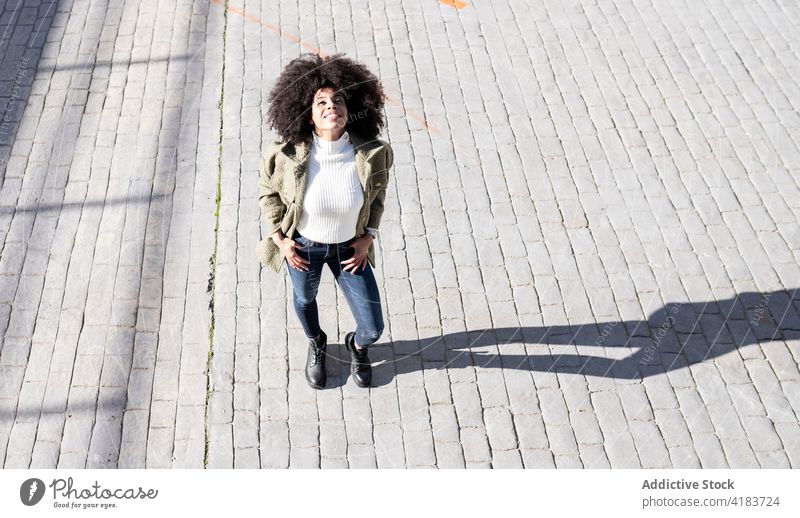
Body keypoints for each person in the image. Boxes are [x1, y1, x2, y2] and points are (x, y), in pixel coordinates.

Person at [256, 53, 394, 389]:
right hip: (304, 247)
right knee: (305, 300)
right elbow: (267, 193)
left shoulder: (374, 152)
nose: (331, 105)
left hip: (350, 248)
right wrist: (280, 239)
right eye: (321, 102)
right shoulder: (285, 155)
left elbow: (377, 198)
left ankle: (357, 346)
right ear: (307, 113)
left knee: (374, 327)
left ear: (351, 108)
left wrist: (369, 236)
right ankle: (317, 342)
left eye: (338, 99)